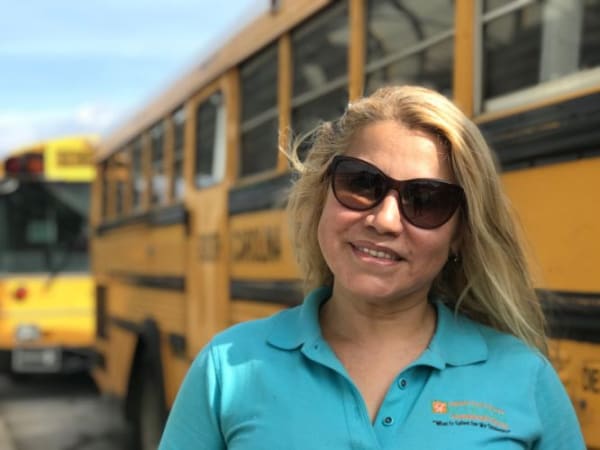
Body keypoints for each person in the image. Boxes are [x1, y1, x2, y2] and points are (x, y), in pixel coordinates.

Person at [159, 86, 585, 449]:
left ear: (461, 233)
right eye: (361, 183)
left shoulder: (526, 379)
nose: (384, 220)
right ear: (321, 195)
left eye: (425, 201)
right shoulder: (226, 370)